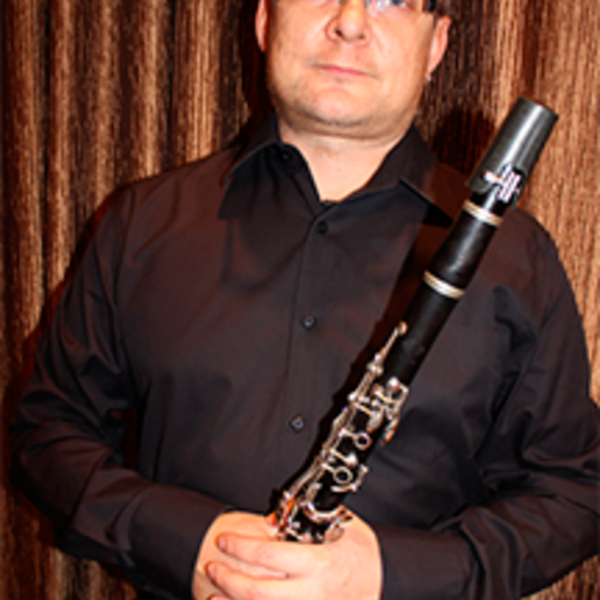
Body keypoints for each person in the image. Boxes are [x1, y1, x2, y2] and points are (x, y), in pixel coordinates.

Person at [10, 0, 600, 599]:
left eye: (392, 1)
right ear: (265, 21)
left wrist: (389, 575)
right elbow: (46, 433)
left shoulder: (516, 258)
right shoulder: (142, 224)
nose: (350, 22)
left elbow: (576, 493)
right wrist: (190, 544)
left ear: (437, 45)